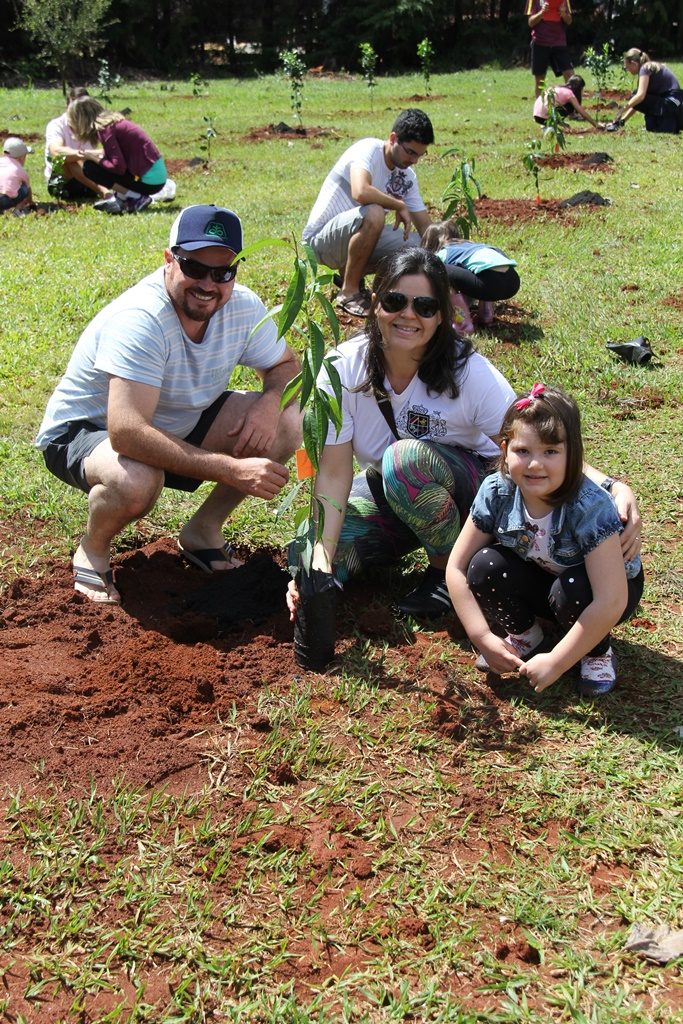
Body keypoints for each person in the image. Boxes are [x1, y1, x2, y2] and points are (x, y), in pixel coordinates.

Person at [36, 205, 301, 604]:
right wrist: (231, 469)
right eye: (194, 267)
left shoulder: (243, 308)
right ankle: (93, 548)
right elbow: (127, 433)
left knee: (288, 420)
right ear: (169, 259)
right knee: (136, 479)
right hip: (88, 431)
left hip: (175, 419)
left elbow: (285, 365)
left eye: (222, 272)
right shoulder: (141, 319)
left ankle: (203, 531)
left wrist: (270, 401)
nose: (208, 284)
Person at [288, 246, 517, 624]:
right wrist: (319, 565)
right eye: (395, 301)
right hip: (401, 494)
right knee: (304, 552)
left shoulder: (468, 372)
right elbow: (333, 472)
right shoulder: (342, 369)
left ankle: (447, 572)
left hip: (473, 496)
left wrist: (607, 488)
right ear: (375, 304)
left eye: (425, 307)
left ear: (441, 316)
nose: (408, 315)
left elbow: (530, 445)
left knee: (403, 462)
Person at [446, 385, 645, 697]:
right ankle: (526, 635)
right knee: (484, 565)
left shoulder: (589, 507)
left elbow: (611, 600)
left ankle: (596, 651)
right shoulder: (497, 491)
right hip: (545, 577)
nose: (535, 464)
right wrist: (481, 635)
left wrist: (557, 662)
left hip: (605, 589)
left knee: (573, 588)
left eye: (550, 452)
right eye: (523, 451)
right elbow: (456, 568)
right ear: (504, 449)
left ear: (573, 454)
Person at [302, 109, 434, 318]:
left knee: (421, 245)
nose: (414, 160)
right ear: (393, 138)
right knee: (374, 213)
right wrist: (398, 204)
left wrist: (454, 249)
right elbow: (361, 191)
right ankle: (348, 292)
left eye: (419, 154)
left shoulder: (406, 176)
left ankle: (356, 275)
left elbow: (427, 228)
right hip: (321, 241)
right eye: (410, 152)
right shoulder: (368, 150)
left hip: (354, 238)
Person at [66, 96, 167, 214]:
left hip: (150, 182)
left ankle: (135, 197)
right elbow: (116, 155)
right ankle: (123, 197)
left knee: (90, 168)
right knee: (96, 163)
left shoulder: (105, 130)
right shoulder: (113, 124)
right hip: (156, 178)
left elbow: (118, 167)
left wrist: (92, 157)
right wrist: (92, 155)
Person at [422, 220, 521, 329]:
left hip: (488, 283)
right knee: (481, 269)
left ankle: (462, 322)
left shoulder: (443, 252)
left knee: (439, 269)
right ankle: (486, 314)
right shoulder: (475, 246)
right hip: (513, 280)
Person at [44, 87, 109, 200]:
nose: (77, 113)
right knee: (70, 160)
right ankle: (105, 193)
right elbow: (56, 152)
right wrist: (86, 154)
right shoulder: (56, 126)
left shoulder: (92, 124)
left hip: (89, 176)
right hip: (63, 182)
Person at [607, 49, 682, 134]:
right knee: (650, 125)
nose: (627, 70)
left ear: (634, 63)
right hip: (674, 103)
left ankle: (668, 125)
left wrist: (622, 110)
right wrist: (622, 121)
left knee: (635, 95)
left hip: (671, 103)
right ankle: (668, 125)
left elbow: (640, 96)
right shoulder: (650, 66)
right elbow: (638, 101)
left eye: (627, 67)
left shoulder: (644, 68)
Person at [525, 0, 574, 98]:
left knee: (570, 76)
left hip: (559, 42)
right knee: (540, 81)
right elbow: (530, 22)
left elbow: (569, 21)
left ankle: (572, 106)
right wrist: (541, 12)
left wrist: (563, 14)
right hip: (540, 42)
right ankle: (539, 106)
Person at [533, 75, 602, 129]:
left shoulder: (557, 88)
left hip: (536, 116)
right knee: (570, 106)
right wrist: (596, 124)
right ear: (579, 88)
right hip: (545, 118)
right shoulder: (570, 94)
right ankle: (550, 124)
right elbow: (582, 112)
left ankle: (549, 124)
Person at [0, 137, 33, 212]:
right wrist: (31, 202)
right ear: (21, 158)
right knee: (25, 188)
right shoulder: (20, 170)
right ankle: (18, 210)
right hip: (4, 201)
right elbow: (28, 190)